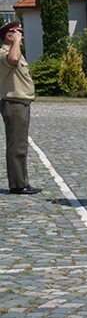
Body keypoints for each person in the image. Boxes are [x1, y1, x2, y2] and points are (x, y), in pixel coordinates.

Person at [0, 20, 41, 195]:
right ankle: (18, 184)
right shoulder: (5, 52)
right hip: (14, 102)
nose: (21, 37)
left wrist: (16, 43)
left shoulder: (12, 50)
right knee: (17, 145)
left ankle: (21, 181)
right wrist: (15, 42)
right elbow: (13, 59)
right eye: (18, 34)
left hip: (20, 102)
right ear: (9, 36)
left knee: (20, 144)